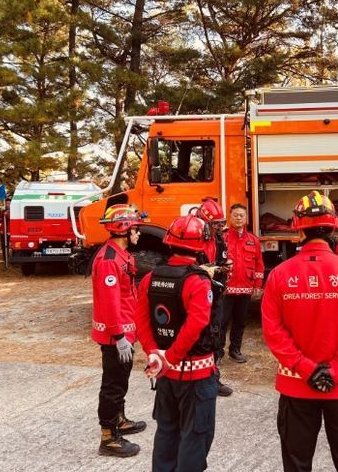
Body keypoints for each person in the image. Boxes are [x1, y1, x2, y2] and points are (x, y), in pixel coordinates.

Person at [262, 190, 338, 472]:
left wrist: (305, 368)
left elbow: (273, 331)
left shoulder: (279, 274)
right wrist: (336, 370)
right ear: (333, 228)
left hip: (296, 387)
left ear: (298, 230)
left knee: (297, 465)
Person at [136, 214, 219, 472]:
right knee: (195, 437)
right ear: (202, 245)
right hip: (195, 375)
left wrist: (154, 354)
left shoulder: (149, 278)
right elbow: (195, 325)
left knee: (166, 432)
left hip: (165, 375)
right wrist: (170, 358)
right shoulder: (197, 281)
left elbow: (141, 320)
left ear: (169, 241)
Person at [91, 203, 146, 457]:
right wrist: (119, 336)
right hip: (116, 335)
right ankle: (108, 438)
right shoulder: (109, 261)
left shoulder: (121, 255)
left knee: (121, 379)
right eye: (136, 229)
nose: (138, 233)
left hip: (124, 330)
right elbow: (110, 303)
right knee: (112, 385)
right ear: (125, 229)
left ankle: (119, 419)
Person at [195, 197, 233, 397]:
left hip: (215, 295)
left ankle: (213, 379)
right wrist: (206, 270)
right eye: (216, 224)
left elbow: (221, 259)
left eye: (221, 223)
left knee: (215, 337)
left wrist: (224, 266)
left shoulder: (218, 239)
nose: (219, 227)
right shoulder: (193, 239)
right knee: (198, 338)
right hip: (197, 296)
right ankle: (196, 380)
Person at [222, 203, 264, 363]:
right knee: (221, 322)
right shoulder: (222, 238)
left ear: (246, 218)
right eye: (235, 215)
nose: (239, 218)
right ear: (230, 217)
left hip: (246, 289)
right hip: (226, 289)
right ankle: (218, 353)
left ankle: (235, 351)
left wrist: (258, 285)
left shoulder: (253, 240)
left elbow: (259, 264)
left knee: (240, 322)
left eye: (242, 215)